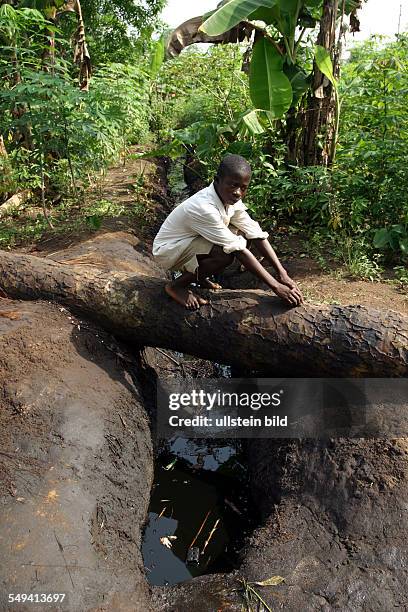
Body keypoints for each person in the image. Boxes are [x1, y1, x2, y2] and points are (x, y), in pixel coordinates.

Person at [153, 154, 304, 310]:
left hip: (189, 242)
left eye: (243, 188)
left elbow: (254, 232)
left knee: (242, 235)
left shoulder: (229, 199)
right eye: (233, 185)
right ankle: (176, 286)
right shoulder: (204, 207)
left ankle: (200, 277)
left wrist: (281, 272)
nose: (238, 192)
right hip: (168, 251)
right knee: (225, 253)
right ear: (217, 180)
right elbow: (237, 249)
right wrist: (276, 287)